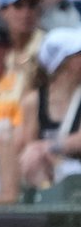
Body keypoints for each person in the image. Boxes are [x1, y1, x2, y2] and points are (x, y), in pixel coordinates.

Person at [19, 27, 81, 188]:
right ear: (63, 62)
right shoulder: (33, 101)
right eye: (79, 54)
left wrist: (49, 147)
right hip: (47, 178)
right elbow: (28, 146)